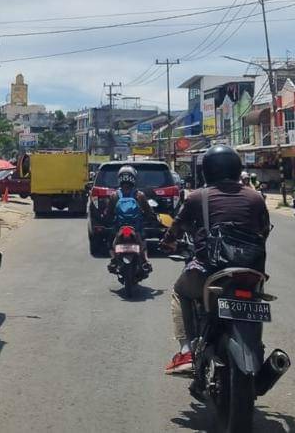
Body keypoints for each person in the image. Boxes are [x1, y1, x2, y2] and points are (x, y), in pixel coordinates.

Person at [160, 144, 271, 375]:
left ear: (207, 170)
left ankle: (186, 350)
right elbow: (263, 230)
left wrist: (168, 243)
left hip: (209, 271)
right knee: (254, 302)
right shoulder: (255, 197)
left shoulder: (197, 197)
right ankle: (257, 349)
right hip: (250, 273)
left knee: (180, 292)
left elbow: (175, 230)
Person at [103, 165, 155, 272]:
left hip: (119, 228)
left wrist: (105, 219)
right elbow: (149, 212)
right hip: (136, 228)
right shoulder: (139, 195)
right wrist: (152, 218)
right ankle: (145, 262)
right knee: (143, 242)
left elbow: (108, 213)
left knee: (110, 242)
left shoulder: (114, 195)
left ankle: (113, 260)